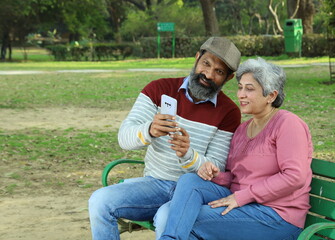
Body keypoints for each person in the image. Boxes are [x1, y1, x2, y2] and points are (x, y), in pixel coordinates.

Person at [88, 37, 242, 240]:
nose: (208, 74)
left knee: (164, 218)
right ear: (197, 58)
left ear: (228, 79)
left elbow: (216, 168)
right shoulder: (159, 89)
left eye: (219, 72)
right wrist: (149, 130)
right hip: (154, 184)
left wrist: (189, 155)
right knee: (99, 201)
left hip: (194, 191)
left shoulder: (229, 112)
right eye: (206, 63)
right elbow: (124, 138)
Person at [158, 57, 313, 240]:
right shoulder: (242, 130)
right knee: (189, 181)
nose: (241, 95)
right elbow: (235, 177)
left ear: (271, 96)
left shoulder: (287, 124)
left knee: (186, 220)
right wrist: (216, 175)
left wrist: (243, 197)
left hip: (276, 216)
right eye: (240, 87)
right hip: (244, 203)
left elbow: (294, 177)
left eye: (249, 89)